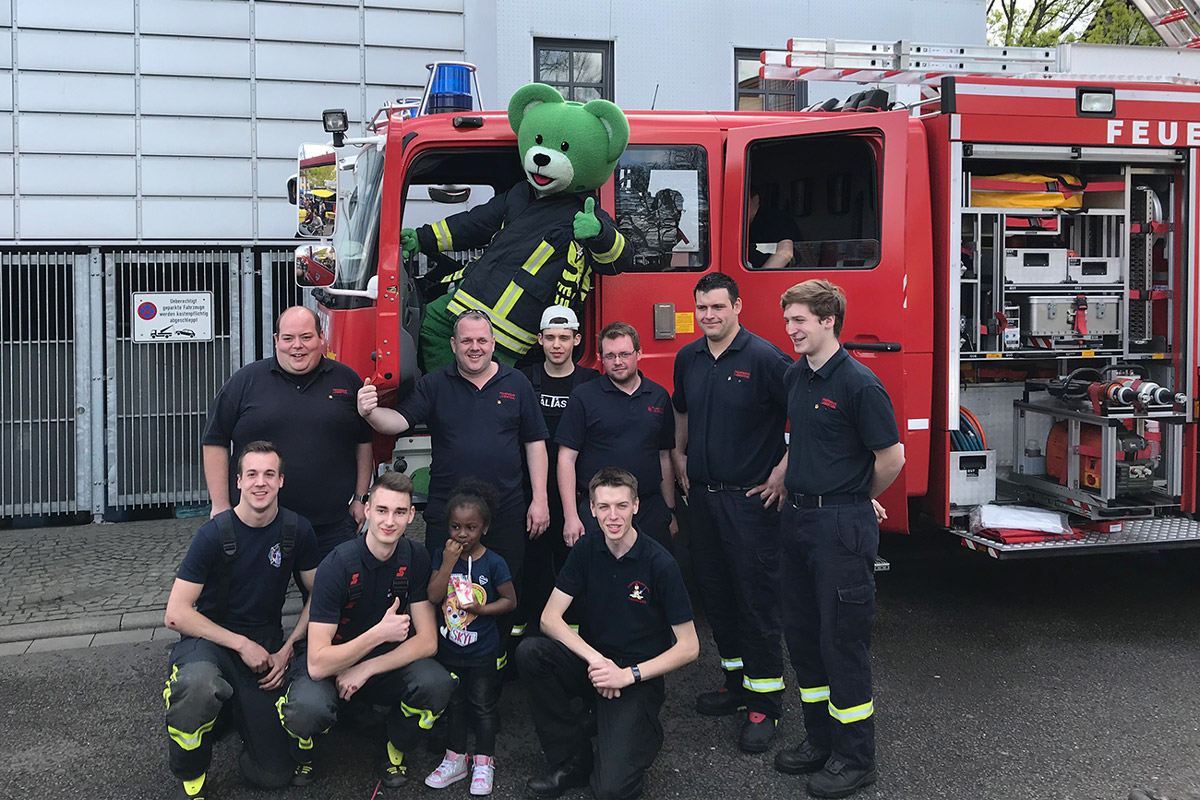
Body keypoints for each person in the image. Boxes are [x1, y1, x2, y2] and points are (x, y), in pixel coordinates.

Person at [774, 279, 904, 799]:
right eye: (788, 320)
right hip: (798, 521)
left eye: (800, 320)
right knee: (804, 637)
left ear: (829, 321)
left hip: (839, 530)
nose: (791, 329)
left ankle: (855, 758)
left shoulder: (859, 384)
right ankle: (820, 740)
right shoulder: (797, 375)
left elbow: (891, 457)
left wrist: (854, 497)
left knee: (841, 643)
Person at [357, 309, 550, 654]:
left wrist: (540, 499)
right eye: (466, 341)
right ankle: (448, 663)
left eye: (481, 340)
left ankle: (497, 662)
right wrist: (369, 412)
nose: (474, 347)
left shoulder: (517, 384)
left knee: (505, 589)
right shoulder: (434, 384)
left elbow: (535, 443)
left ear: (493, 343)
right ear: (453, 344)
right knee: (440, 591)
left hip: (505, 512)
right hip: (448, 515)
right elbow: (397, 422)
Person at [517, 467, 699, 800]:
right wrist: (598, 662)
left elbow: (689, 647)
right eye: (603, 506)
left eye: (621, 506)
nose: (612, 516)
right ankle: (572, 760)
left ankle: (644, 731)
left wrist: (627, 675)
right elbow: (549, 619)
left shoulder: (660, 563)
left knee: (611, 790)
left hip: (637, 676)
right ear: (592, 508)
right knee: (531, 653)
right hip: (596, 665)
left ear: (636, 506)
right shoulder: (586, 549)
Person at [671, 272, 792, 753]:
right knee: (717, 595)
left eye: (718, 306)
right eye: (702, 307)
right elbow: (681, 410)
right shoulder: (689, 357)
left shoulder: (764, 358)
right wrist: (679, 455)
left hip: (750, 503)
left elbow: (807, 413)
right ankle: (736, 684)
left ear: (737, 306)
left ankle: (765, 705)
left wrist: (783, 471)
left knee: (755, 601)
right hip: (703, 498)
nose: (709, 315)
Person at [162, 441, 321, 800]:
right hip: (209, 641)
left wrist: (287, 649)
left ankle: (234, 714)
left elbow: (320, 597)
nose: (260, 482)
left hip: (265, 645)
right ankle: (192, 771)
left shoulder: (297, 530)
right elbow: (176, 614)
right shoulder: (213, 534)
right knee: (198, 686)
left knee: (273, 775)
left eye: (269, 474)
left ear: (281, 480)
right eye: (251, 474)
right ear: (238, 481)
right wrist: (240, 643)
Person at [276, 471, 455, 789]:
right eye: (382, 510)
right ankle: (306, 752)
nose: (390, 521)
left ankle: (395, 744)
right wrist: (379, 634)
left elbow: (428, 642)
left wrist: (367, 667)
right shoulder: (337, 565)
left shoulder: (415, 557)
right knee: (305, 709)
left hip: (380, 666)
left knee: (436, 683)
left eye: (399, 512)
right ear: (367, 509)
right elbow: (317, 663)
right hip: (331, 665)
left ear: (411, 515)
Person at [203, 306, 373, 558]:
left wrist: (360, 497)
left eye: (306, 337)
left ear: (321, 337)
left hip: (332, 525)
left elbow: (364, 441)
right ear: (276, 340)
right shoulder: (244, 382)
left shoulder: (347, 380)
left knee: (330, 584)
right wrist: (220, 505)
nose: (297, 346)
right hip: (257, 523)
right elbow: (214, 441)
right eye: (288, 338)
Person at [425, 480, 518, 795]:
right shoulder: (442, 556)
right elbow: (434, 596)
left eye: (471, 527)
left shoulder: (494, 562)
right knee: (454, 704)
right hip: (449, 650)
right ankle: (455, 760)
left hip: (482, 654)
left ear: (484, 528)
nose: (462, 534)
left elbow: (510, 601)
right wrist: (447, 562)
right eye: (455, 527)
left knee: (482, 706)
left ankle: (483, 761)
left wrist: (482, 609)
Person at [516, 305, 601, 639]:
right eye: (550, 337)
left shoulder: (591, 382)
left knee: (573, 565)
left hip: (574, 495)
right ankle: (526, 636)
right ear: (539, 339)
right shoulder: (524, 380)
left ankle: (572, 637)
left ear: (577, 340)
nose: (556, 345)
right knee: (531, 566)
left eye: (564, 338)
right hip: (532, 492)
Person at [556, 321, 677, 550]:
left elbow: (664, 456)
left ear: (638, 353)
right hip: (599, 512)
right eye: (610, 356)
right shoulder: (583, 397)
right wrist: (570, 516)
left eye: (624, 354)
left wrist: (670, 510)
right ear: (601, 358)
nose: (618, 361)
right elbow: (566, 458)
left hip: (649, 510)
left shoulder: (658, 396)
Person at [747, 185, 801, 269]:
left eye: (741, 199)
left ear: (755, 199)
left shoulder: (775, 219)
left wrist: (761, 276)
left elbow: (786, 252)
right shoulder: (742, 226)